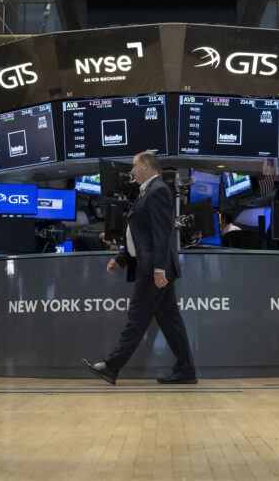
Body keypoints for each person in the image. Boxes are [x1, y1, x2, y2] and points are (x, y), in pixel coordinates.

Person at [82, 151, 196, 385]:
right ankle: (186, 369)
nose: (131, 171)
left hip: (153, 270)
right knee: (170, 322)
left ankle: (112, 366)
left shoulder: (159, 190)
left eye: (134, 166)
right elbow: (139, 234)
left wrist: (159, 269)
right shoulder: (147, 191)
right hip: (152, 266)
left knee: (137, 319)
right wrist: (122, 258)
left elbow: (162, 234)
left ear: (146, 165)